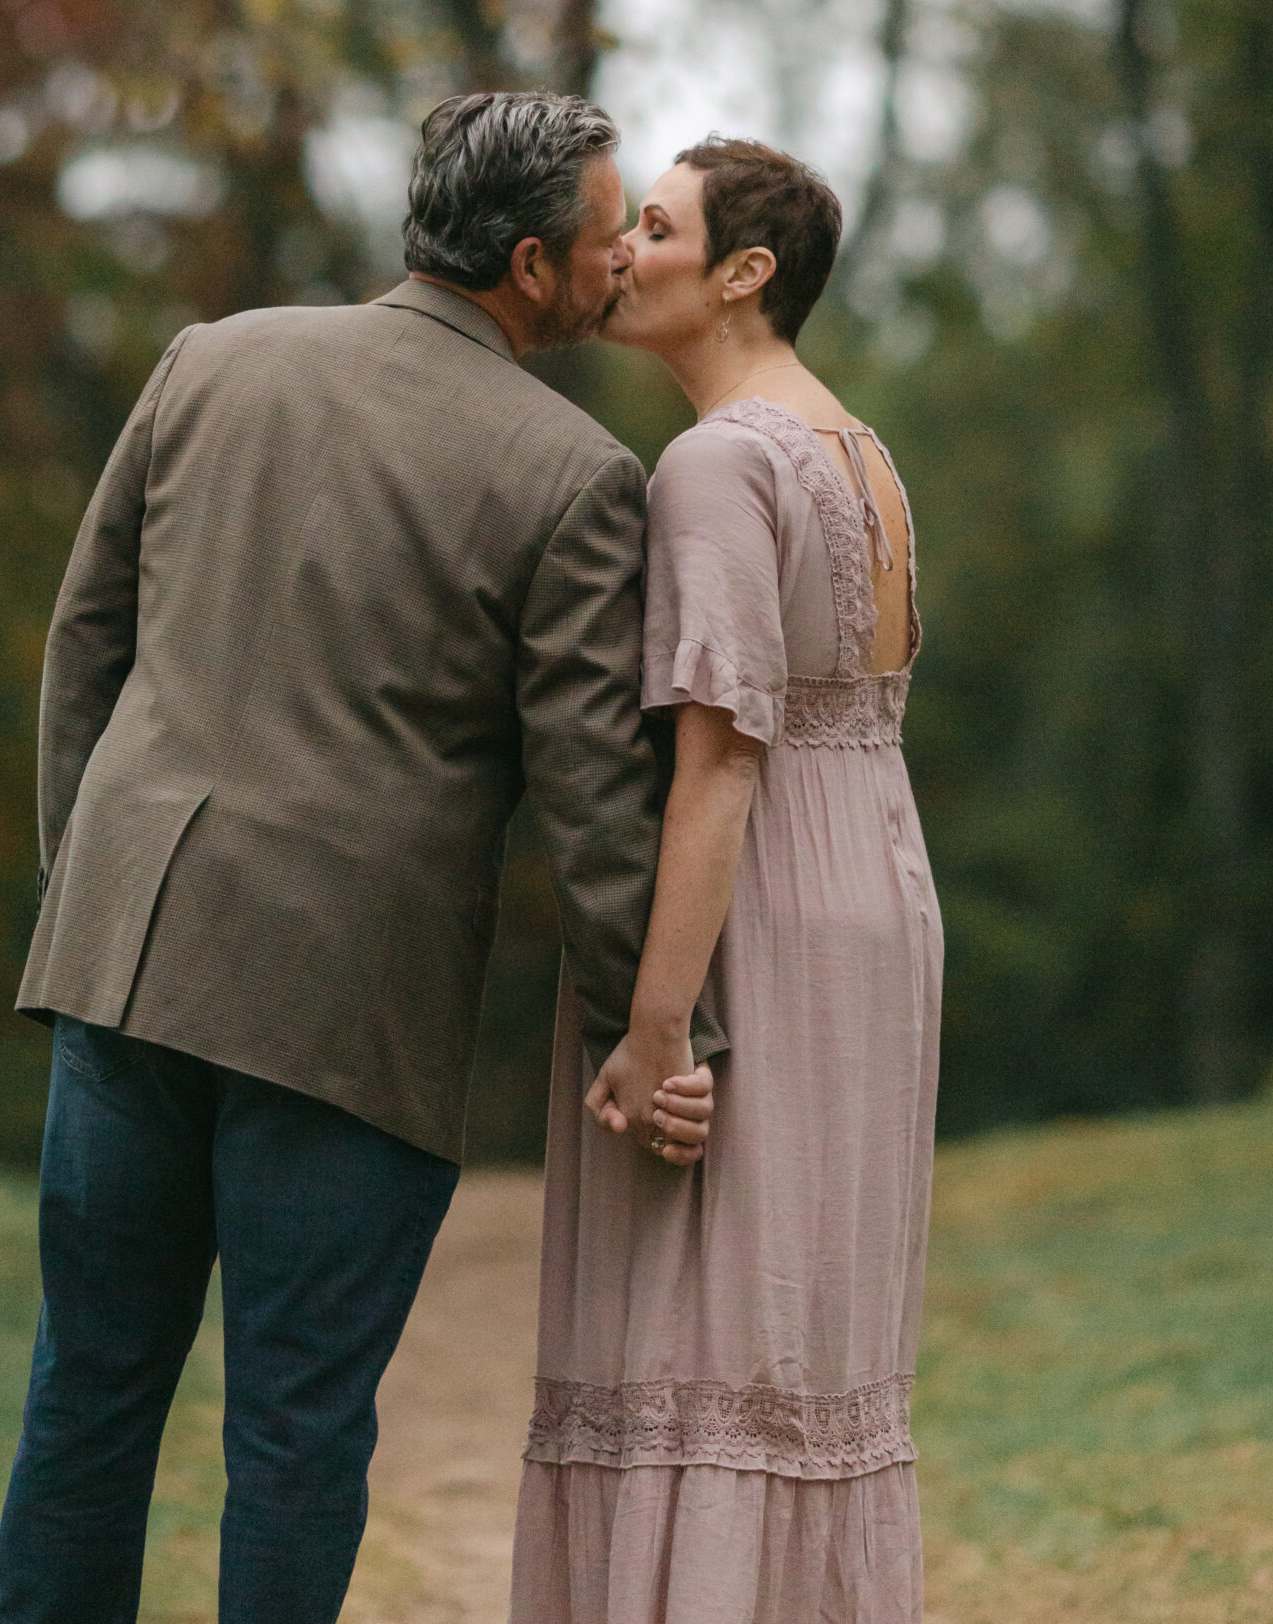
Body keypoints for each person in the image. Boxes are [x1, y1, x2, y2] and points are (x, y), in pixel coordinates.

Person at [0, 90, 721, 1624]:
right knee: (296, 1433)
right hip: (344, 1010)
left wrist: (92, 885)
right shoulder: (575, 475)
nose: (614, 267)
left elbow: (86, 645)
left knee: (89, 1395)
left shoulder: (214, 356)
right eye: (602, 240)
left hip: (128, 957)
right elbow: (594, 798)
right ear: (529, 264)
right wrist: (660, 1039)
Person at [511, 136, 943, 1624]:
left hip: (755, 910)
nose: (622, 249)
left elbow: (724, 759)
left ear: (744, 274)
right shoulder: (859, 451)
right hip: (879, 897)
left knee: (701, 1327)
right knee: (808, 1347)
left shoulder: (712, 463)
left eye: (657, 226)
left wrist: (655, 1029)